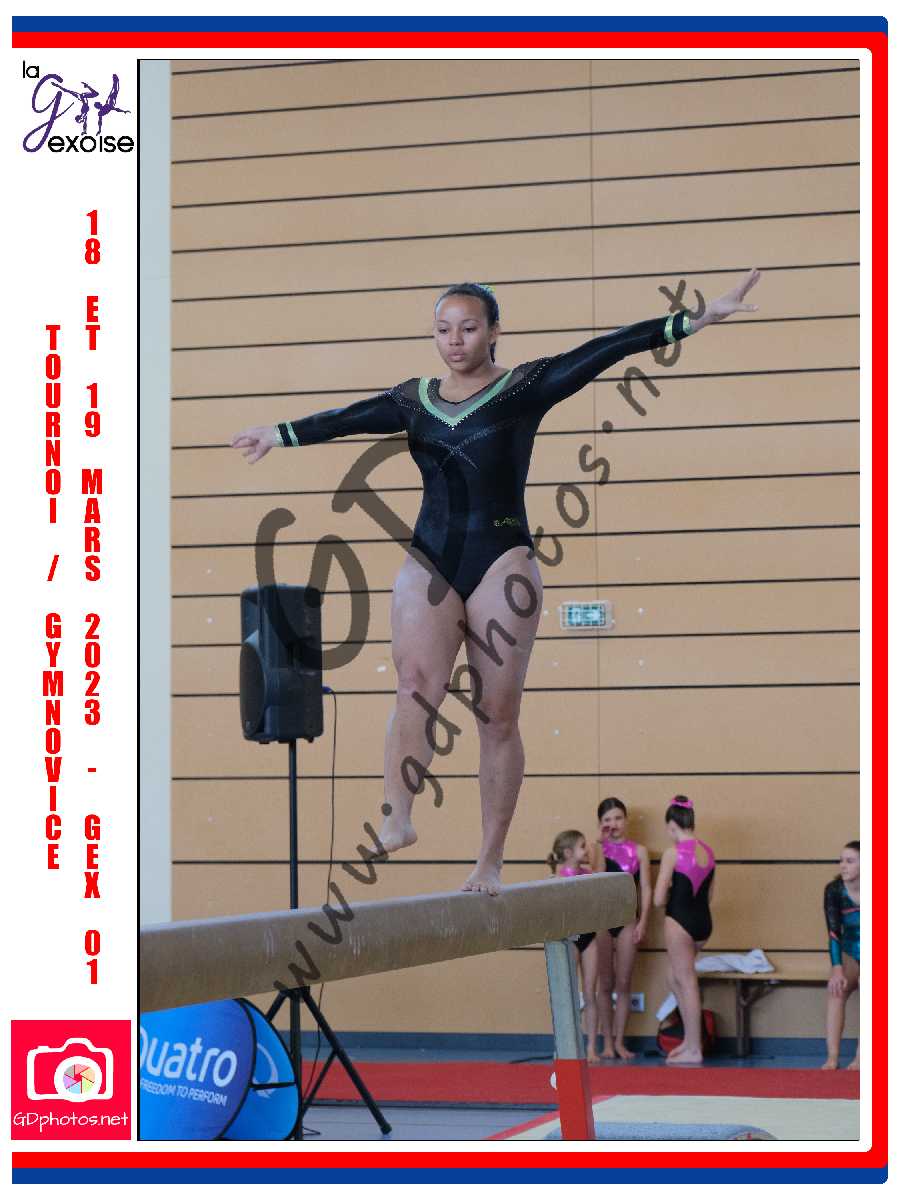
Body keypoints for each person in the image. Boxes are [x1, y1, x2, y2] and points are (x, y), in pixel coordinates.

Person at [232, 270, 762, 894]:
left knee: (497, 714)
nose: (455, 340)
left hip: (502, 557)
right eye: (443, 329)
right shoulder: (413, 399)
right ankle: (398, 815)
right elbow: (349, 418)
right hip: (431, 557)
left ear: (493, 332)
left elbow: (605, 350)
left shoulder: (524, 387)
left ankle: (489, 859)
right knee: (414, 684)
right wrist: (278, 434)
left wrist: (694, 320)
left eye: (468, 328)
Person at [652, 795, 716, 1065]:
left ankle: (694, 1047)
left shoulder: (673, 853)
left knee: (687, 981)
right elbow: (710, 895)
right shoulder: (708, 852)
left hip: (680, 922)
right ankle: (689, 1041)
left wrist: (670, 893)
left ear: (671, 826)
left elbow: (658, 899)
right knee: (673, 976)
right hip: (703, 923)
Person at [588, 797, 651, 1060]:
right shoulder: (595, 849)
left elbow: (645, 888)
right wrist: (598, 843)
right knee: (605, 983)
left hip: (627, 921)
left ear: (626, 820)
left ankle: (620, 1041)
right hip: (602, 922)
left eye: (617, 818)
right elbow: (591, 880)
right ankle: (606, 1043)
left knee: (624, 983)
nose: (613, 824)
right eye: (607, 820)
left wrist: (643, 920)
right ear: (600, 824)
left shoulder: (639, 851)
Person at [547, 829, 601, 1063]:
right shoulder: (558, 878)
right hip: (569, 938)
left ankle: (591, 1048)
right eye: (582, 846)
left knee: (590, 993)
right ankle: (568, 1046)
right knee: (567, 995)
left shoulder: (589, 874)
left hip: (589, 937)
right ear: (568, 853)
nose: (587, 850)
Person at [822, 840, 860, 1071]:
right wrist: (837, 969)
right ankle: (832, 1056)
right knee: (836, 990)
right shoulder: (834, 890)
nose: (843, 866)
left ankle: (862, 1056)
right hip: (849, 950)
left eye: (850, 861)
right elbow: (833, 931)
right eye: (841, 861)